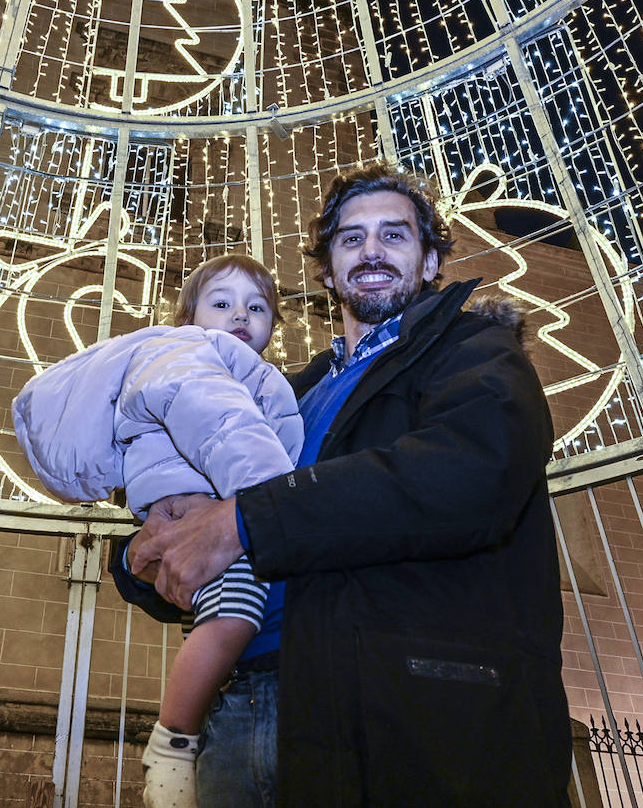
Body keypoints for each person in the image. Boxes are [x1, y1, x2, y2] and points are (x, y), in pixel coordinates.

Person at [115, 162, 571, 806]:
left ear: (432, 258)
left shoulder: (474, 349)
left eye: (395, 234)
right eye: (351, 239)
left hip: (392, 709)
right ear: (327, 271)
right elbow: (199, 530)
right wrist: (139, 560)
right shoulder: (286, 395)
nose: (372, 251)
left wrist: (243, 520)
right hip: (242, 704)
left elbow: (473, 470)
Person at [11, 255, 302, 808]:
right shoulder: (192, 356)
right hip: (218, 513)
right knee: (232, 618)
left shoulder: (243, 372)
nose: (242, 315)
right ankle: (173, 741)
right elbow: (220, 423)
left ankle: (178, 736)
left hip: (224, 519)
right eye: (223, 303)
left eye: (258, 307)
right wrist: (275, 499)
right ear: (189, 315)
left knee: (220, 625)